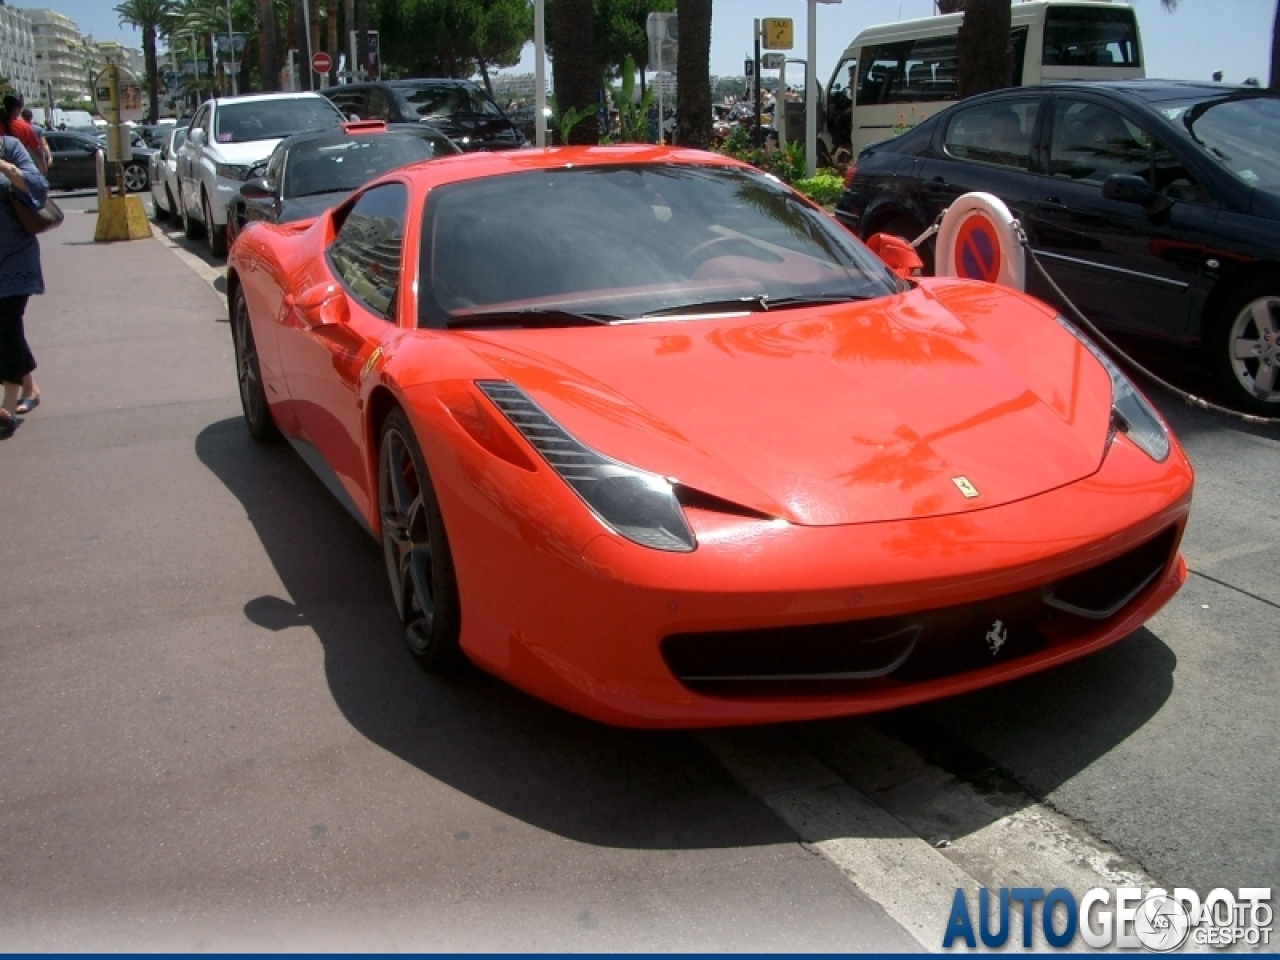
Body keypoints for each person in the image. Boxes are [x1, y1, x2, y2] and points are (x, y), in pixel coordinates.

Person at [0, 110, 49, 436]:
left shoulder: (9, 148)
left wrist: (6, 168)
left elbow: (39, 188)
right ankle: (30, 388)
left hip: (15, 256)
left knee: (5, 323)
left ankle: (7, 403)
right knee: (6, 327)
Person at [20, 107, 52, 173]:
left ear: (22, 116)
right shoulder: (38, 129)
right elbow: (44, 144)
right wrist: (49, 156)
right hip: (37, 159)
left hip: (23, 159)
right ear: (31, 117)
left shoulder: (19, 128)